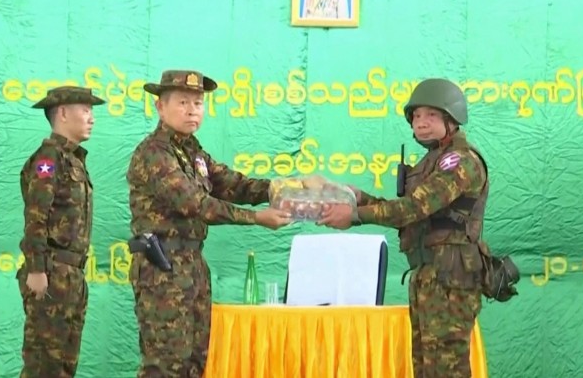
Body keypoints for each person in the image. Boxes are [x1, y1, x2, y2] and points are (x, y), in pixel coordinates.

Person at [126, 69, 293, 377]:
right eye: (183, 102)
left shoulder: (194, 153)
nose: (192, 110)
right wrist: (257, 218)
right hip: (162, 265)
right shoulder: (154, 153)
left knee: (195, 362)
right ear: (160, 107)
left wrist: (286, 188)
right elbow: (196, 204)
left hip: (192, 263)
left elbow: (234, 185)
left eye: (198, 103)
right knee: (165, 364)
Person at [319, 78, 487, 378]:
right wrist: (359, 197)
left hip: (449, 280)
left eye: (431, 115)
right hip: (429, 276)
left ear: (452, 118)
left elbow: (414, 208)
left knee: (446, 371)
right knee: (425, 369)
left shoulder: (459, 161)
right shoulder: (432, 161)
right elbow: (412, 213)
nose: (421, 122)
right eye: (417, 115)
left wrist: (355, 215)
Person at [16, 86, 105, 377]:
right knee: (43, 366)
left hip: (71, 276)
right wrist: (36, 269)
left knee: (64, 365)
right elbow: (36, 216)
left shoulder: (73, 159)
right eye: (86, 110)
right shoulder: (49, 159)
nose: (91, 118)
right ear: (63, 113)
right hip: (51, 274)